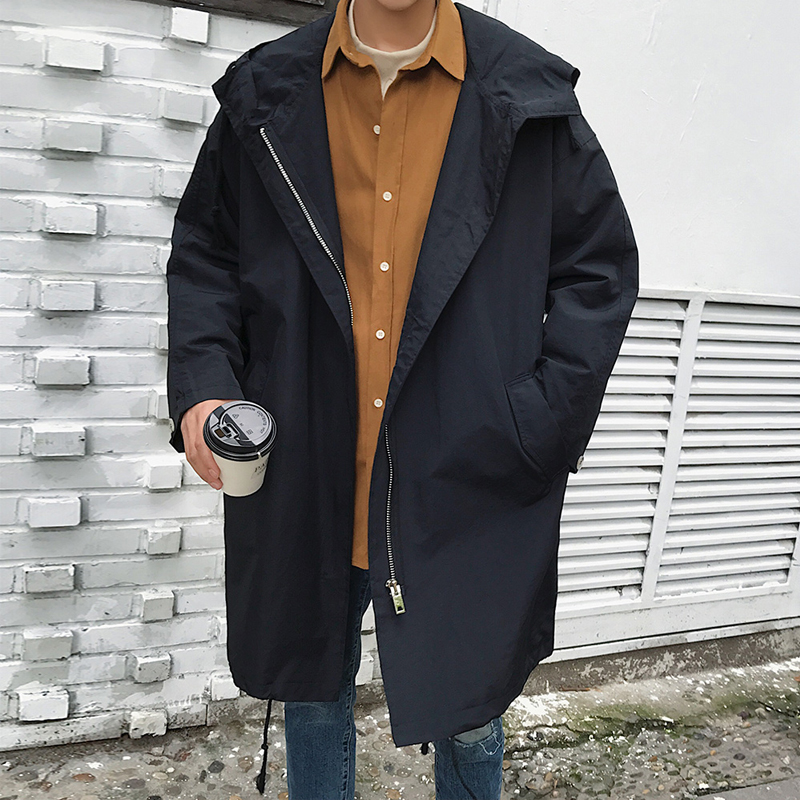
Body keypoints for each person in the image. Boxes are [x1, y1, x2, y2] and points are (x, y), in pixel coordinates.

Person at [166, 0, 639, 796]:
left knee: (472, 708)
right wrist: (205, 387)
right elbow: (207, 254)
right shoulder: (266, 91)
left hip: (470, 473)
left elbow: (599, 271)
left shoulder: (527, 95)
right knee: (312, 689)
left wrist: (536, 422)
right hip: (308, 465)